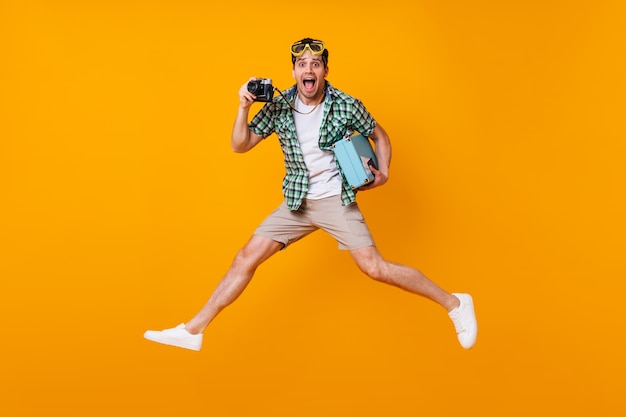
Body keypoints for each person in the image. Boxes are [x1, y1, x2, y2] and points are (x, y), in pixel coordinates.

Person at [144, 38, 477, 351]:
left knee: (375, 269)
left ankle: (455, 303)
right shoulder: (279, 105)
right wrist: (243, 106)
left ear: (325, 71)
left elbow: (381, 136)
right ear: (293, 72)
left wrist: (385, 172)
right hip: (297, 202)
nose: (308, 70)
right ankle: (193, 331)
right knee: (245, 258)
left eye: (315, 64)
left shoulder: (346, 105)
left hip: (336, 200)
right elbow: (240, 145)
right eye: (302, 64)